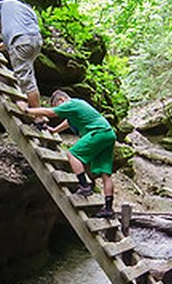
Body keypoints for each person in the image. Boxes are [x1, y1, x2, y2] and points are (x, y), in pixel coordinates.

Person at [17, 90, 117, 218]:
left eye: (58, 106)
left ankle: (84, 186)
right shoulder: (78, 105)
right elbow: (69, 121)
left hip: (99, 132)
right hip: (108, 134)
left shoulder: (71, 103)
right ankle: (109, 209)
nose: (59, 109)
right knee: (105, 174)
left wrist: (27, 110)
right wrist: (54, 130)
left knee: (72, 155)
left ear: (61, 100)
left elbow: (50, 113)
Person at [0, 0, 43, 109]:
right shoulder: (27, 12)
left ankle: (38, 116)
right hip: (36, 42)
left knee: (27, 80)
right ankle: (25, 101)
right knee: (25, 73)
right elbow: (13, 39)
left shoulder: (4, 3)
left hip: (21, 41)